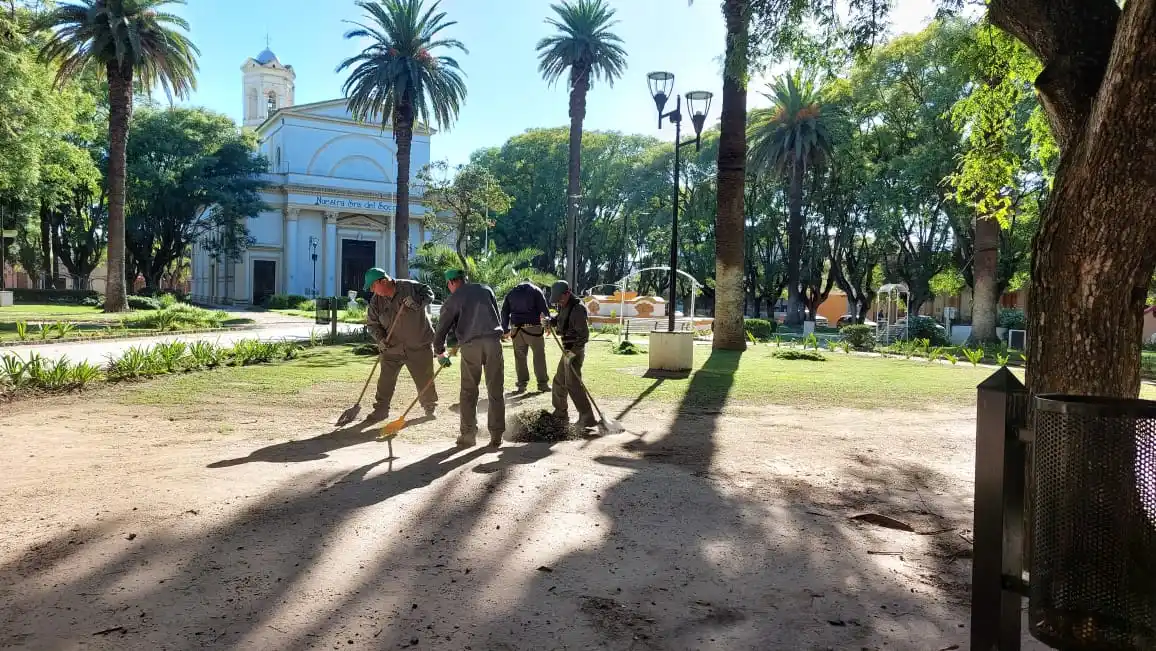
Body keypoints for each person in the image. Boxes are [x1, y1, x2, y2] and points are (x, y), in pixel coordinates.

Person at [433, 269, 506, 447]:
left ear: (451, 282)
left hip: (471, 346)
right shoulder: (486, 289)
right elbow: (496, 315)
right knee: (495, 389)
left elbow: (442, 327)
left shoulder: (454, 297)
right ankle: (496, 435)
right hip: (493, 342)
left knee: (468, 391)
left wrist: (439, 352)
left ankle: (468, 434)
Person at [364, 267, 438, 422]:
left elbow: (429, 293)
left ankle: (429, 407)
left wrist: (416, 301)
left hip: (418, 344)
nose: (373, 291)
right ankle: (381, 410)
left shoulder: (409, 286)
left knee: (424, 377)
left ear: (383, 281)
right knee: (385, 380)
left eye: (373, 287)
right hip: (392, 347)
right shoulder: (376, 301)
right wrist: (380, 339)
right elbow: (372, 324)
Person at [547, 280, 598, 429]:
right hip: (567, 351)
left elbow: (584, 337)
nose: (559, 302)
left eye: (560, 299)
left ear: (567, 293)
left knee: (573, 384)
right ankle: (560, 413)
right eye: (556, 300)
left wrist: (572, 354)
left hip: (575, 351)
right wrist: (550, 321)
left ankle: (587, 417)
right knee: (559, 381)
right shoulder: (564, 306)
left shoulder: (577, 309)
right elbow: (561, 320)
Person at [500, 279, 551, 394]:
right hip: (533, 328)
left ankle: (521, 385)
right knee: (539, 356)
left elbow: (504, 311)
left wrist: (505, 328)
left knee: (520, 358)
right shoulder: (536, 290)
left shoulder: (511, 292)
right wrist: (548, 326)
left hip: (516, 329)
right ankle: (542, 384)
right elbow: (544, 309)